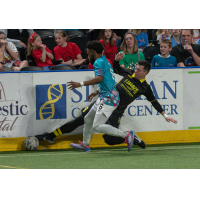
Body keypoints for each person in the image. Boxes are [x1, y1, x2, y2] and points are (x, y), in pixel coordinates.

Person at [36, 52, 177, 149]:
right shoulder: (129, 73)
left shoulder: (145, 88)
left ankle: (131, 138)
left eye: (139, 70)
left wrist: (165, 115)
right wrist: (115, 61)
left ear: (145, 73)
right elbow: (114, 72)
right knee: (81, 120)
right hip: (106, 100)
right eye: (136, 68)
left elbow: (154, 102)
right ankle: (51, 135)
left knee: (108, 139)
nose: (136, 71)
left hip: (117, 111)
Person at [67, 40, 134, 152]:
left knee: (97, 126)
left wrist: (80, 84)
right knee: (88, 119)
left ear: (94, 52)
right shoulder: (106, 61)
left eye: (89, 54)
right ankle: (85, 144)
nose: (88, 56)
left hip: (109, 98)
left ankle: (126, 134)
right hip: (106, 96)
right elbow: (109, 80)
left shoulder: (98, 62)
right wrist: (97, 91)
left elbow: (100, 78)